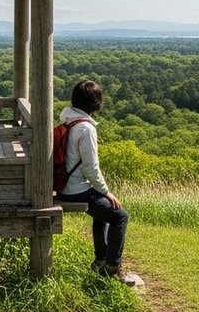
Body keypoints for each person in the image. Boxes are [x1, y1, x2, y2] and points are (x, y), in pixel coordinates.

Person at [55, 79, 139, 286]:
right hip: (76, 189)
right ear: (96, 103)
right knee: (120, 216)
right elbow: (91, 169)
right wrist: (107, 191)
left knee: (102, 214)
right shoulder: (86, 129)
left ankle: (100, 260)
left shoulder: (68, 120)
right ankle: (112, 267)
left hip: (63, 185)